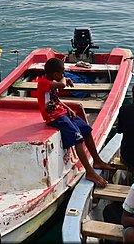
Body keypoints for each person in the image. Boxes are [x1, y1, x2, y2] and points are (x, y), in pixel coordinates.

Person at [37, 58, 115, 187]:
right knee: (77, 137)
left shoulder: (52, 81)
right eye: (62, 72)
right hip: (54, 117)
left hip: (61, 112)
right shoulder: (43, 82)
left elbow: (54, 99)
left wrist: (67, 108)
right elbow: (61, 85)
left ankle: (97, 160)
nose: (64, 74)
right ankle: (89, 172)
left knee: (86, 130)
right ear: (56, 74)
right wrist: (64, 80)